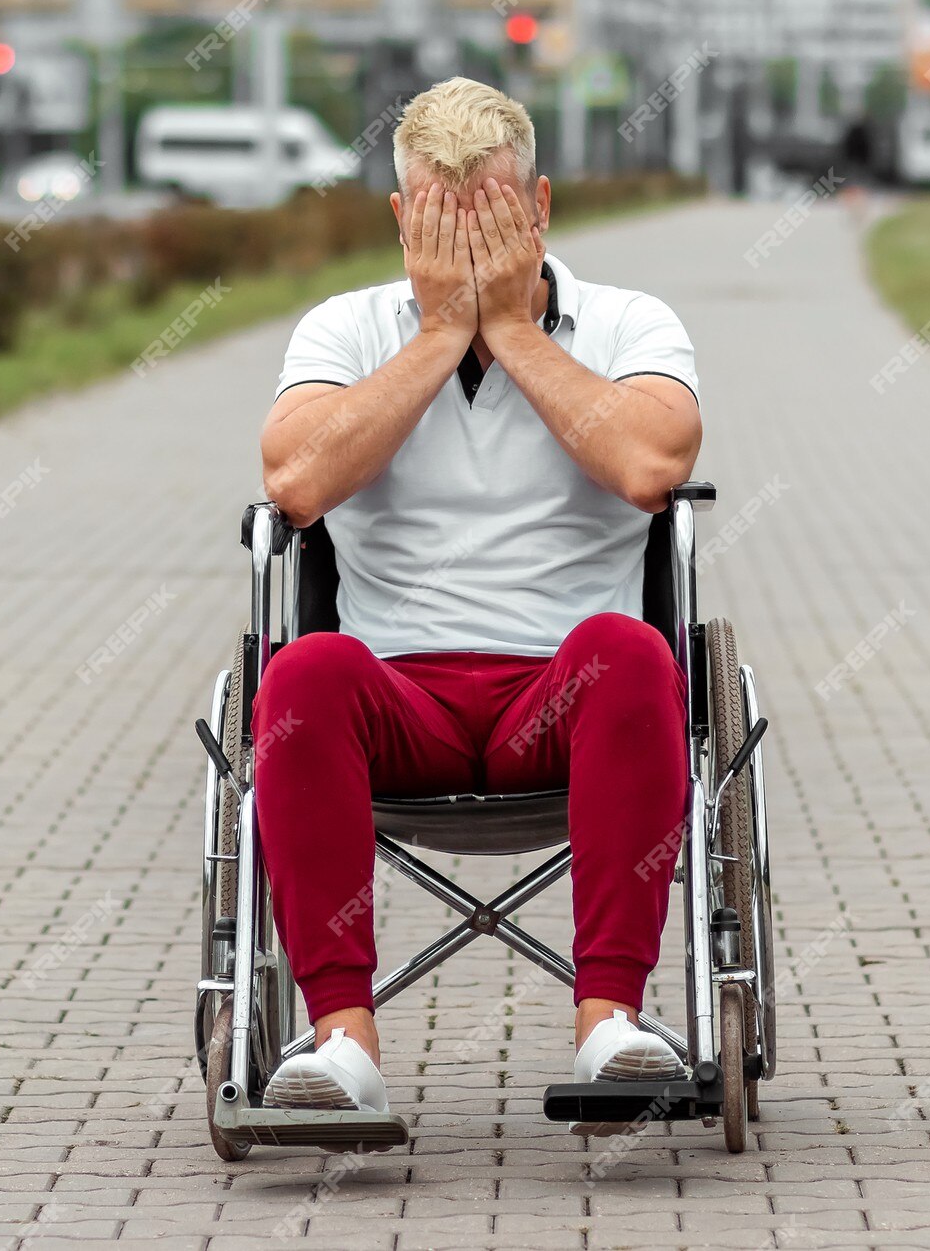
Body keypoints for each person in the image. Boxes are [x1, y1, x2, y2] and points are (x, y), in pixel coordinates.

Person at [252, 78, 703, 1126]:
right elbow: (297, 481)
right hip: (395, 702)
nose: (467, 241)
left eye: (493, 217)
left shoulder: (633, 321)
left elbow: (648, 465)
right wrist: (437, 337)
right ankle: (340, 1045)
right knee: (303, 669)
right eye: (442, 220)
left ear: (538, 208)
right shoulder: (343, 328)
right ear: (403, 221)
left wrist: (510, 331)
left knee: (630, 650)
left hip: (563, 699)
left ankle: (607, 1024)